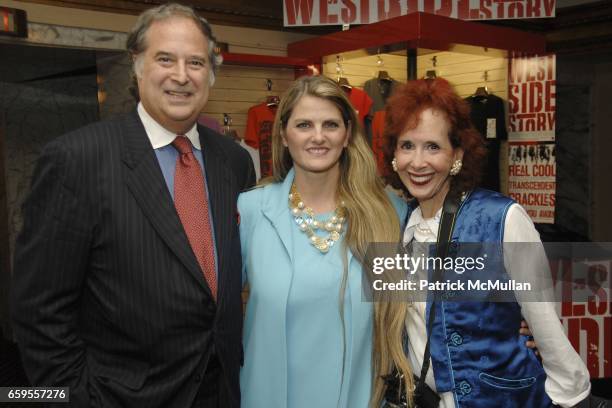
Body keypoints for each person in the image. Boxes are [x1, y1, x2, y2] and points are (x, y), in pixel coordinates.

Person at [11, 4, 254, 407]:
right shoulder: (77, 159)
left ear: (211, 74)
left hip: (223, 392)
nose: (181, 75)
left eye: (196, 62)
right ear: (137, 66)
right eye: (165, 59)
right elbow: (40, 311)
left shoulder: (234, 162)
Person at [372, 77, 591, 407]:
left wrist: (571, 396)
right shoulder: (399, 225)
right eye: (407, 146)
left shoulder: (502, 219)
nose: (417, 162)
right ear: (393, 155)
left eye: (433, 146)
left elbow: (545, 326)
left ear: (456, 155)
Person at [237, 75, 405, 407]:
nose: (318, 137)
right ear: (284, 135)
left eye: (330, 124)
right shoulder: (252, 210)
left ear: (347, 135)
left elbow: (423, 307)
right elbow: (211, 308)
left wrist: (513, 313)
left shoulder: (389, 214)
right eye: (304, 125)